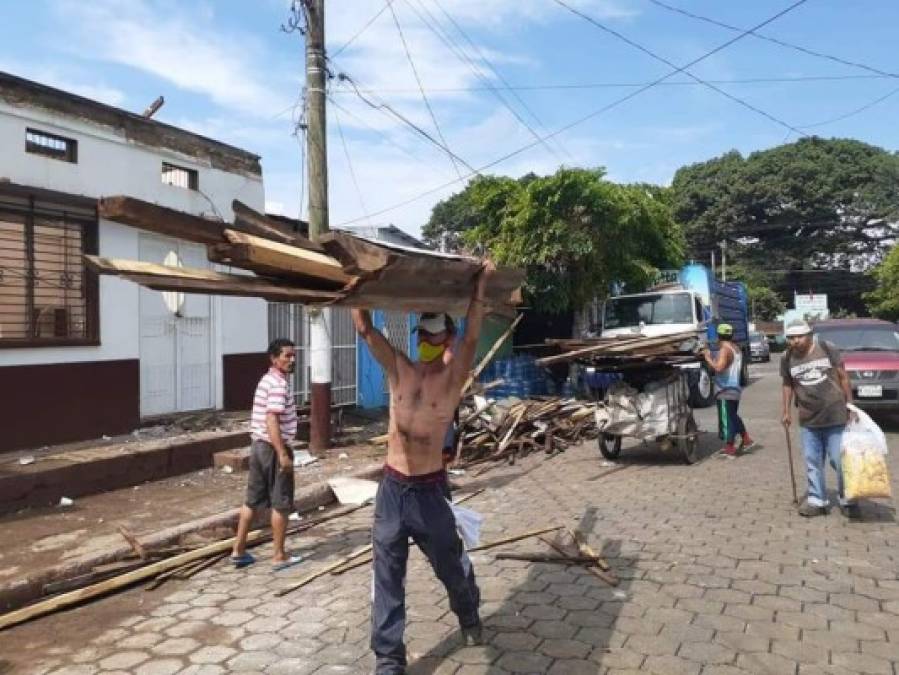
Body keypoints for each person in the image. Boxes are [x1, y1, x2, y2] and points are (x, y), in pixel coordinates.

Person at [352, 261, 494, 674]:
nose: (428, 342)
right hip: (393, 489)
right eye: (424, 335)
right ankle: (389, 660)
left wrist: (481, 284)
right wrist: (353, 289)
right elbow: (365, 330)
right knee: (387, 577)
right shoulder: (400, 371)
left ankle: (469, 613)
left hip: (431, 492)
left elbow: (471, 336)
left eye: (436, 335)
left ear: (446, 338)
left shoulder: (452, 381)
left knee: (450, 566)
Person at [230, 338, 303, 569]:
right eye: (286, 356)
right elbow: (272, 419)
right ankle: (279, 556)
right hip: (272, 447)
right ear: (274, 358)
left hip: (258, 446)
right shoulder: (278, 385)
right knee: (281, 502)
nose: (292, 360)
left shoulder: (266, 380)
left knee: (252, 501)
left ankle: (239, 550)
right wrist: (282, 453)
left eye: (293, 356)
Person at [781, 320, 858, 518]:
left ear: (809, 335)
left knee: (839, 460)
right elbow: (787, 384)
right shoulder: (786, 357)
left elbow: (843, 376)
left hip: (835, 414)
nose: (795, 341)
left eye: (799, 336)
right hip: (808, 418)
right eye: (791, 338)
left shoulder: (826, 348)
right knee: (812, 461)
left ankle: (847, 499)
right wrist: (786, 411)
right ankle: (817, 500)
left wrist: (850, 404)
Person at [702, 323, 754, 456]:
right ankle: (746, 437)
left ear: (719, 336)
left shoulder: (725, 350)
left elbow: (719, 368)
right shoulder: (736, 348)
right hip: (735, 389)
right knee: (733, 416)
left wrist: (707, 357)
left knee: (726, 419)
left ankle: (729, 446)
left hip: (724, 390)